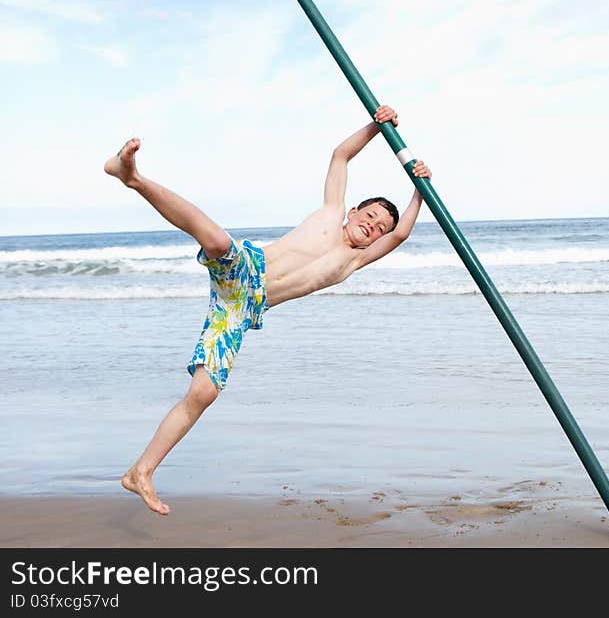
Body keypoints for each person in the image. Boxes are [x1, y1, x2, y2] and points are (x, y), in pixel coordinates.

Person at [103, 105, 431, 515]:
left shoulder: (354, 261)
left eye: (378, 228)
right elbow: (340, 156)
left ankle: (141, 472)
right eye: (369, 216)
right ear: (353, 211)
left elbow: (401, 233)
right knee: (220, 243)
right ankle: (132, 177)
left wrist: (419, 190)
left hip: (242, 308)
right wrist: (376, 127)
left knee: (204, 392)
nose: (373, 226)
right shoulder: (331, 213)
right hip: (246, 268)